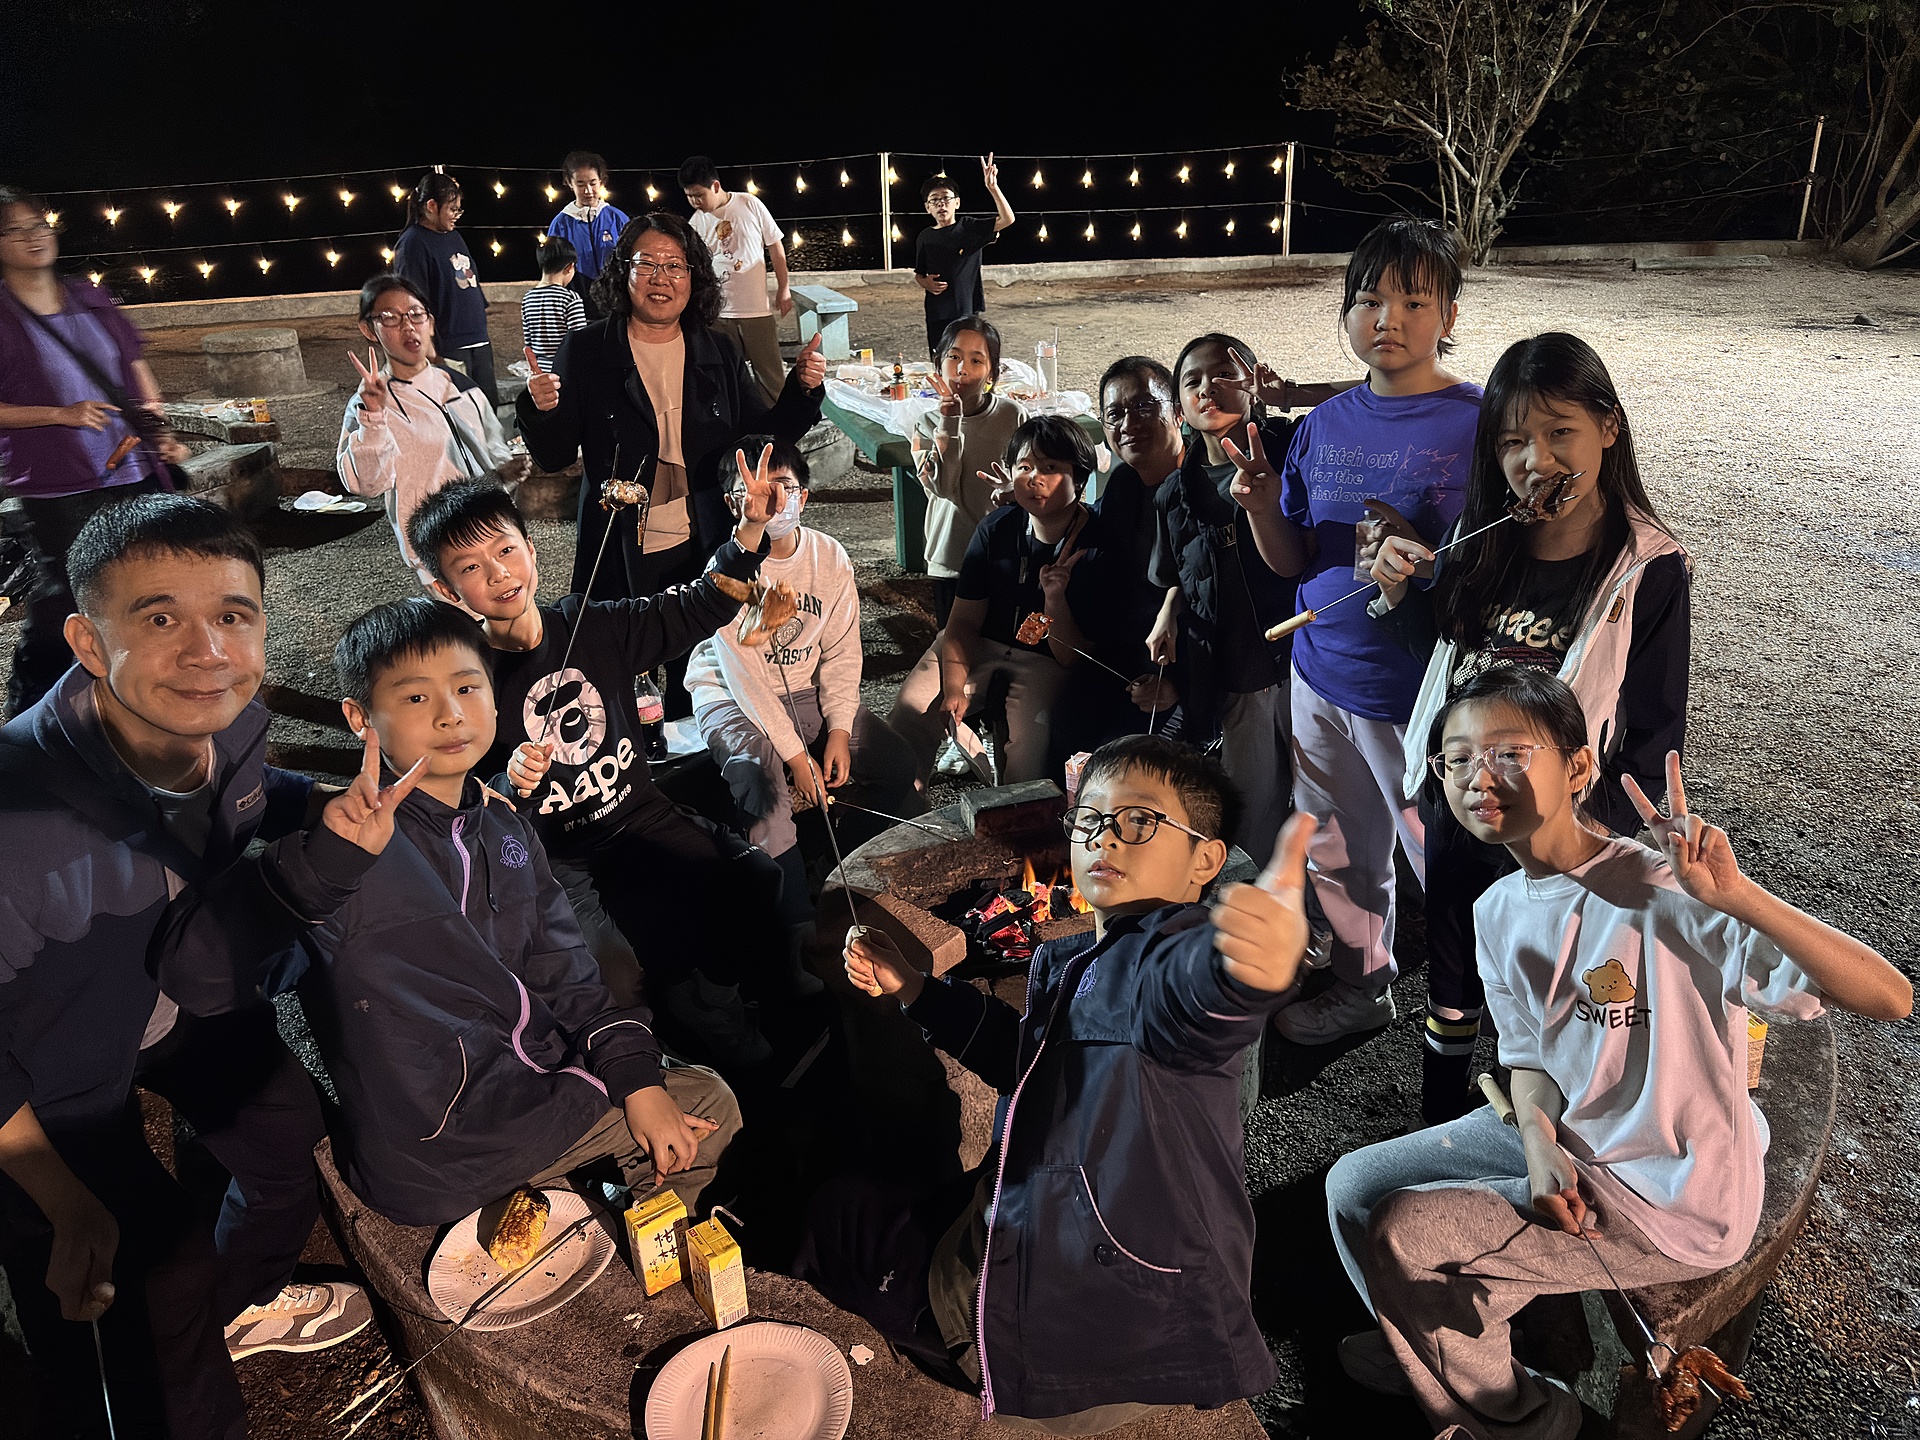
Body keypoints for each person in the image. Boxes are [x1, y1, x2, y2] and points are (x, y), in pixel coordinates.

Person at [1324, 668, 1910, 1440]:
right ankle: (1431, 1340)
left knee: (1406, 1232)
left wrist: (1738, 898)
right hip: (1570, 1137)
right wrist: (1538, 1146)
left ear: (1578, 767)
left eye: (1508, 752)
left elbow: (1889, 996)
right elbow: (1528, 1058)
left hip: (1669, 1196)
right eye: (1456, 758)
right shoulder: (1497, 909)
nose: (1476, 777)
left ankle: (1524, 1417)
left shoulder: (1666, 890)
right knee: (1351, 1187)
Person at [157, 597, 746, 1230]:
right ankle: (646, 1243)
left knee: (675, 1092)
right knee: (710, 1106)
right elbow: (199, 976)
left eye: (467, 687)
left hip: (526, 1086)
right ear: (360, 718)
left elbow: (564, 968)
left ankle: (633, 1235)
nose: (450, 714)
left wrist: (634, 1075)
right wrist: (318, 869)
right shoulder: (346, 855)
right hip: (445, 1147)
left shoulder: (503, 825)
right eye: (415, 697)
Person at [810, 735, 1317, 1430]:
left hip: (1058, 1331)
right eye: (1091, 819)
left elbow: (1188, 996)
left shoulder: (1157, 961)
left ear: (1206, 860)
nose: (1105, 836)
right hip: (1092, 1273)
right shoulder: (1083, 961)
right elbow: (1029, 1061)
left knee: (835, 1216)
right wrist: (918, 989)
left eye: (1139, 820)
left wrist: (1246, 973)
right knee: (919, 1197)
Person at [0, 496, 372, 1439]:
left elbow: (255, 792)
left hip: (180, 996)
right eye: (160, 617)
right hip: (45, 1073)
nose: (208, 652)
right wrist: (58, 1197)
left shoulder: (225, 723)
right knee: (127, 1274)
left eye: (233, 615)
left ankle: (227, 1310)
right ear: (89, 642)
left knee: (287, 1139)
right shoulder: (20, 820)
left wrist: (334, 806)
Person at [1370, 333, 1690, 1123]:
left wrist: (1591, 837)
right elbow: (1444, 662)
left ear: (1608, 428)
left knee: (1551, 997)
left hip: (1558, 835)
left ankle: (1545, 1139)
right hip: (1464, 811)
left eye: (1559, 433)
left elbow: (1653, 731)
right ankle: (1440, 1130)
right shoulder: (1483, 539)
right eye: (1512, 441)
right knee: (1454, 988)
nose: (1534, 461)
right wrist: (1402, 595)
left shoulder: (1645, 570)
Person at [406, 473, 801, 1068]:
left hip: (638, 815)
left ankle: (709, 1005)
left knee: (755, 880)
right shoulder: (463, 678)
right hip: (556, 854)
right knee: (611, 972)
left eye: (506, 550)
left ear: (531, 549)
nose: (498, 573)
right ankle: (640, 1067)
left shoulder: (591, 624)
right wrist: (507, 782)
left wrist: (748, 529)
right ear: (445, 588)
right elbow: (454, 795)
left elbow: (696, 605)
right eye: (471, 567)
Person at [1264, 218, 1483, 1044]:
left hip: (1420, 694)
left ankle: (1496, 1012)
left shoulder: (1481, 422)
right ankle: (1365, 985)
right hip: (1320, 670)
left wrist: (1427, 564)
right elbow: (1295, 556)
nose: (1387, 318)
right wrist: (1258, 504)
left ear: (1449, 315)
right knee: (1338, 846)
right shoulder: (1322, 424)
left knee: (1445, 852)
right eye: (1368, 300)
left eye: (1413, 301)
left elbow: (1507, 561)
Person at [515, 211, 826, 714]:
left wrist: (802, 389)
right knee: (616, 676)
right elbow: (554, 455)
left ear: (694, 276)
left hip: (702, 539)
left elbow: (759, 440)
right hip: (618, 543)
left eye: (676, 266)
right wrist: (540, 409)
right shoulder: (589, 348)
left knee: (699, 678)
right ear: (624, 271)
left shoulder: (717, 347)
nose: (661, 278)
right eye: (647, 264)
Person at [685, 436, 924, 953]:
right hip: (730, 695)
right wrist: (796, 756)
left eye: (784, 488)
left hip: (805, 688)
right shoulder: (725, 571)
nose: (772, 502)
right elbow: (745, 678)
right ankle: (795, 934)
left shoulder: (829, 556)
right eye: (755, 491)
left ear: (805, 496)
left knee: (896, 763)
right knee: (765, 785)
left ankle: (837, 869)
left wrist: (838, 729)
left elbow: (842, 652)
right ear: (733, 502)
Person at [0, 184, 189, 717]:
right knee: (68, 595)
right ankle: (27, 713)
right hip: (58, 484)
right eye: (14, 230)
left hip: (133, 468)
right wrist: (59, 414)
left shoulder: (88, 295)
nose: (33, 237)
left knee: (151, 585)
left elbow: (134, 366)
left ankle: (142, 697)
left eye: (39, 225)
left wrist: (157, 428)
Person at [1144, 335, 1303, 867]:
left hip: (1305, 663)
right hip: (1236, 674)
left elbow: (1373, 397)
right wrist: (1168, 610)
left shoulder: (1297, 451)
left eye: (1224, 375)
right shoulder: (1174, 493)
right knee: (1252, 813)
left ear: (1254, 383)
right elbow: (1176, 574)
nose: (1207, 389)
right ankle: (1260, 907)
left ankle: (1327, 909)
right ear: (1179, 406)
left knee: (1324, 805)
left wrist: (1292, 394)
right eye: (1192, 381)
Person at [890, 416, 1100, 786]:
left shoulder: (1096, 544)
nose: (1034, 479)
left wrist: (1054, 600)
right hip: (980, 643)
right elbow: (963, 622)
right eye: (1024, 467)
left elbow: (1071, 656)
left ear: (1080, 479)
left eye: (1051, 468)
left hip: (1045, 659)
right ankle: (904, 803)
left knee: (1029, 748)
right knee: (911, 710)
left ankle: (1014, 816)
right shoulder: (998, 527)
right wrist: (954, 688)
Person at [337, 272, 520, 588]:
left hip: (495, 534)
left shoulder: (461, 387)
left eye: (415, 314)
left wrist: (506, 473)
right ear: (369, 329)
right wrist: (374, 419)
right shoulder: (368, 404)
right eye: (390, 317)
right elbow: (367, 484)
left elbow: (493, 450)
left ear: (430, 323)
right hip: (442, 553)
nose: (408, 326)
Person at [909, 314, 1026, 633]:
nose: (963, 369)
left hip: (1002, 554)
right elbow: (943, 487)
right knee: (955, 644)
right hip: (952, 557)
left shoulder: (1013, 416)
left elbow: (1030, 478)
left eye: (977, 360)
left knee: (1001, 644)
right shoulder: (926, 424)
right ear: (938, 364)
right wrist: (949, 422)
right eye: (954, 357)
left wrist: (1015, 491)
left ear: (992, 372)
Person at [681, 155, 792, 408]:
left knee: (770, 375)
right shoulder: (696, 222)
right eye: (689, 196)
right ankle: (735, 420)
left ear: (715, 186)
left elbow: (776, 247)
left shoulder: (748, 203)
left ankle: (779, 421)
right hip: (719, 313)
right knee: (725, 374)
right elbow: (695, 266)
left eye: (699, 195)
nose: (695, 202)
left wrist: (784, 288)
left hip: (756, 310)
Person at [390, 170, 497, 405]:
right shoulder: (412, 244)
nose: (456, 215)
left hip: (478, 339)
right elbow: (411, 302)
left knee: (487, 407)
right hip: (449, 344)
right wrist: (429, 350)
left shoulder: (453, 236)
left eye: (459, 210)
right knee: (460, 410)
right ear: (431, 206)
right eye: (452, 209)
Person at [913, 157, 1015, 360]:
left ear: (957, 203)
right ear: (927, 207)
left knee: (967, 357)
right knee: (940, 358)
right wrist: (926, 283)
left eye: (946, 198)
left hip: (966, 308)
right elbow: (919, 273)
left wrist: (993, 188)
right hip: (936, 311)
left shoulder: (969, 228)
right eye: (934, 200)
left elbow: (1007, 219)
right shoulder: (925, 237)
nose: (941, 204)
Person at [546, 150, 629, 320]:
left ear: (601, 181)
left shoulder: (617, 218)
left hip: (615, 300)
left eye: (593, 183)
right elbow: (552, 268)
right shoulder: (561, 224)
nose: (588, 190)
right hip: (578, 302)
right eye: (580, 184)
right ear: (570, 183)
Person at [522, 234, 587, 372]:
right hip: (566, 370)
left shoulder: (528, 298)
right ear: (569, 267)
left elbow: (528, 344)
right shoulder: (570, 298)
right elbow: (580, 342)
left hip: (540, 371)